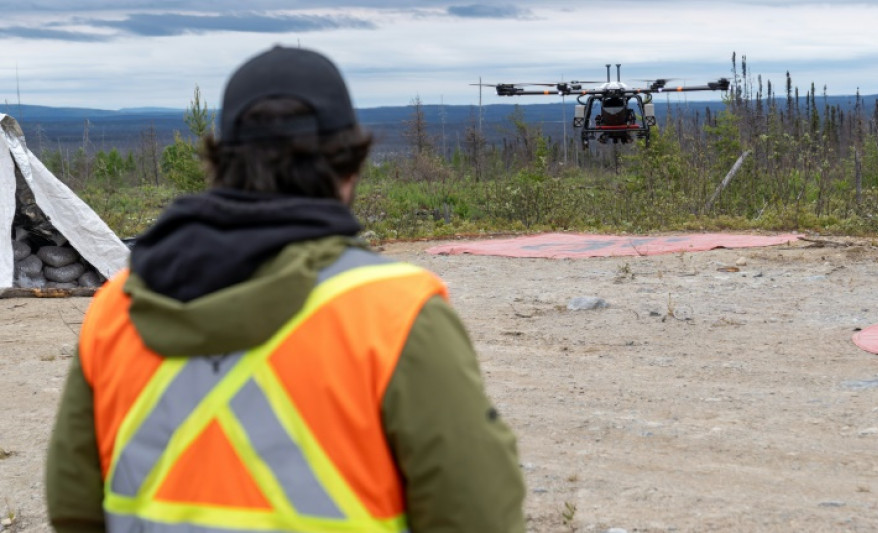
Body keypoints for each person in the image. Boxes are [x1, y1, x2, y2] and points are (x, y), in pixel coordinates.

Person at [45, 45, 525, 533]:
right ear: (351, 164)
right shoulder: (396, 315)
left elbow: (71, 507)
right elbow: (478, 514)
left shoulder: (118, 306)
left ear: (217, 163)